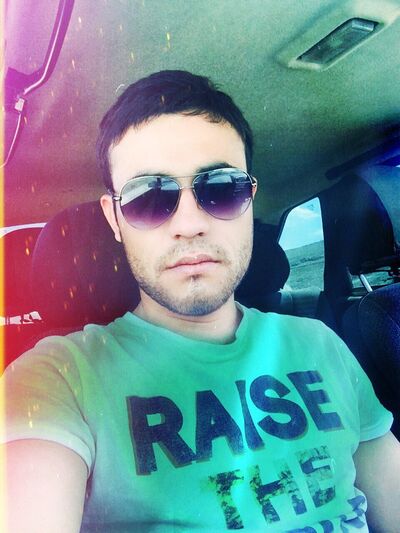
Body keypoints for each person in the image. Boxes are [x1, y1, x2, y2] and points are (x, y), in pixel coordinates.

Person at [1, 70, 400, 533]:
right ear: (114, 219)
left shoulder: (320, 343)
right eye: (149, 196)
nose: (190, 224)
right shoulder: (57, 380)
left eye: (222, 187)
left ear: (250, 199)